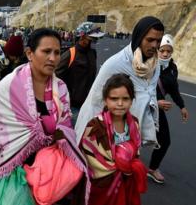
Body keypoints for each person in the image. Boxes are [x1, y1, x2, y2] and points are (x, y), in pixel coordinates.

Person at [0, 28, 89, 205]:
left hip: (48, 173)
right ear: (30, 53)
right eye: (46, 51)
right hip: (13, 175)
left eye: (57, 52)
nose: (53, 58)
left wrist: (55, 132)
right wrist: (36, 133)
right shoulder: (9, 87)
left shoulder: (60, 88)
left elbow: (66, 128)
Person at [75, 16, 164, 145]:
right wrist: (85, 140)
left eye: (158, 41)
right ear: (139, 38)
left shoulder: (156, 66)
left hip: (133, 132)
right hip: (107, 133)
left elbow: (150, 94)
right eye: (150, 40)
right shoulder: (116, 64)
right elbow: (94, 103)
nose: (154, 45)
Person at [80, 74, 148, 205]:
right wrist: (122, 165)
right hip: (101, 188)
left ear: (132, 100)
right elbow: (88, 159)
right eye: (114, 99)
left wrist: (128, 167)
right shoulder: (95, 127)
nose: (120, 104)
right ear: (105, 100)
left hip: (127, 183)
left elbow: (135, 153)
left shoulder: (134, 123)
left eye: (126, 99)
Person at [147, 34, 189, 184]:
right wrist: (156, 102)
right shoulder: (149, 64)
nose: (165, 54)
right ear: (157, 49)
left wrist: (182, 106)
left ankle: (152, 168)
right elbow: (139, 89)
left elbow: (174, 89)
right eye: (162, 50)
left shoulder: (172, 68)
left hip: (157, 110)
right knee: (134, 136)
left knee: (165, 141)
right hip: (142, 107)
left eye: (168, 51)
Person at [55, 22, 104, 126]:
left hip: (88, 104)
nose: (95, 42)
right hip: (72, 106)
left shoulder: (92, 53)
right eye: (92, 39)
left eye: (96, 39)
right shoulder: (70, 54)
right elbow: (56, 78)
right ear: (82, 37)